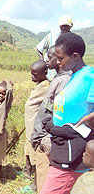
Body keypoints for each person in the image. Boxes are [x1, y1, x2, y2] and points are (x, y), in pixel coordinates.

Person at [41, 32, 94, 194]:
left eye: (61, 58)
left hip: (72, 153)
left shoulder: (89, 78)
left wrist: (87, 120)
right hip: (60, 147)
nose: (57, 62)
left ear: (75, 56)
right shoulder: (74, 76)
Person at [31, 46, 71, 191]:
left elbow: (57, 112)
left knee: (45, 183)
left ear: (61, 59)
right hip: (42, 137)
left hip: (46, 139)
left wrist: (46, 135)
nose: (47, 60)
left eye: (50, 57)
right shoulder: (57, 78)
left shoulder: (64, 80)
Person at [24, 60, 50, 191]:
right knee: (29, 152)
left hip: (37, 128)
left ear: (44, 73)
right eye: (31, 73)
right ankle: (28, 174)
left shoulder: (46, 87)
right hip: (30, 126)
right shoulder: (39, 84)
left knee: (37, 157)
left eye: (35, 74)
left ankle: (35, 184)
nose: (32, 77)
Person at [36, 15, 73, 81]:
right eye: (62, 26)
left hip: (63, 72)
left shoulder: (72, 39)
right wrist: (43, 63)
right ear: (59, 26)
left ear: (70, 26)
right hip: (50, 72)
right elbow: (39, 48)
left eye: (66, 26)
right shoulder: (52, 36)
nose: (64, 28)